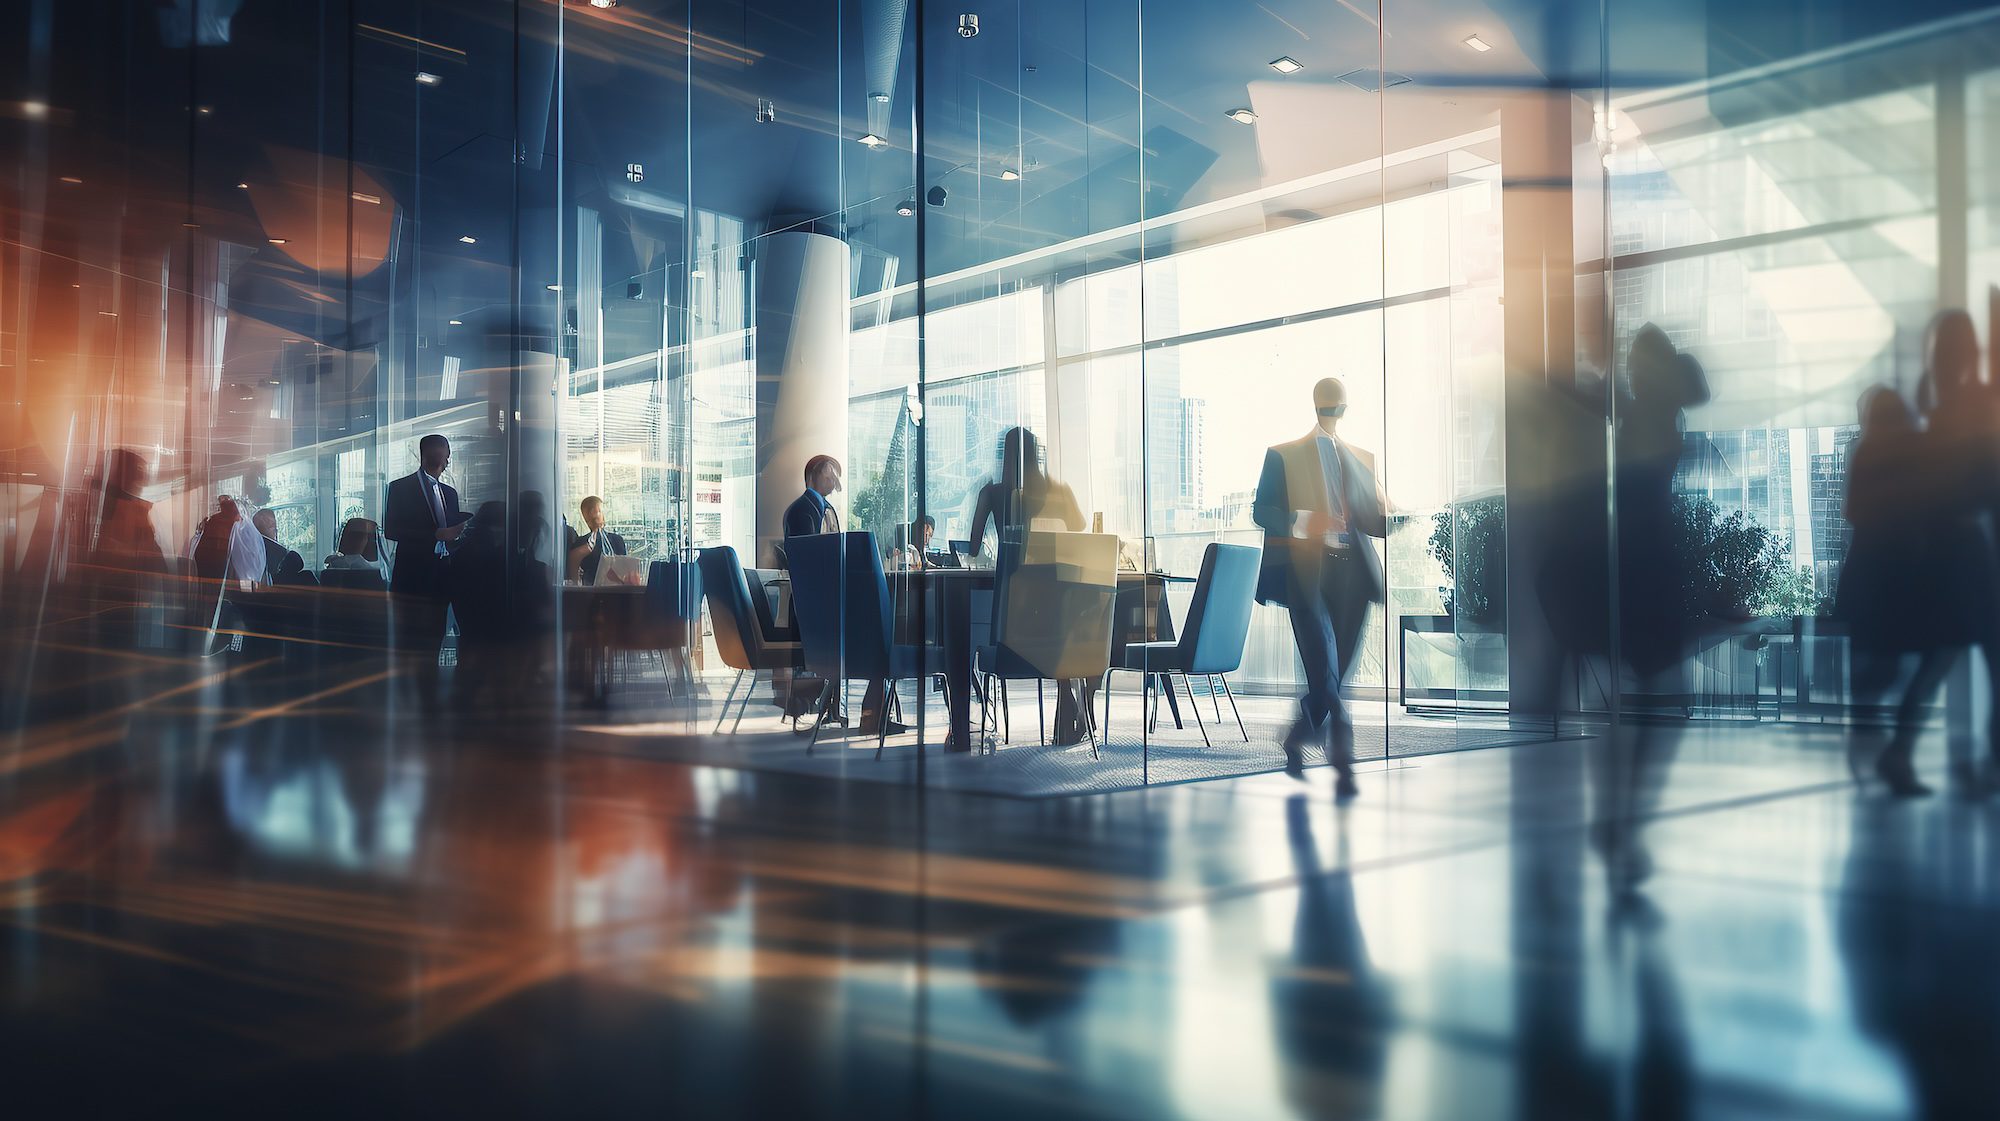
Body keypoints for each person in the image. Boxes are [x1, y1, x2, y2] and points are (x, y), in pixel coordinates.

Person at [1865, 310, 2000, 796]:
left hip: (1952, 551)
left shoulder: (1939, 413)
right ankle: (1967, 761)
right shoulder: (1968, 411)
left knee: (1943, 660)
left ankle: (1901, 754)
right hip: (1970, 551)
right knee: (1975, 659)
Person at [1253, 378, 1388, 802]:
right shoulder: (1283, 455)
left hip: (1354, 576)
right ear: (1317, 405)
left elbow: (1375, 522)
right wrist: (1304, 520)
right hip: (1307, 571)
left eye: (1339, 406)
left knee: (1334, 671)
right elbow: (1261, 510)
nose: (1334, 411)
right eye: (1329, 404)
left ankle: (1297, 736)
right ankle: (1342, 754)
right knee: (1323, 661)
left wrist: (1391, 512)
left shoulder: (1362, 458)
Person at [969, 427, 1094, 743]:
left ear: (1005, 456)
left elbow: (972, 546)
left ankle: (962, 729)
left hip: (1013, 617)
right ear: (1036, 454)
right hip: (1055, 618)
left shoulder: (993, 493)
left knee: (967, 628)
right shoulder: (1058, 491)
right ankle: (1075, 707)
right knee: (1072, 630)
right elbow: (1079, 528)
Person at [383, 434, 466, 698]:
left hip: (443, 572)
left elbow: (451, 531)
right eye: (443, 453)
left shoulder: (449, 493)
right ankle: (410, 690)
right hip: (412, 574)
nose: (446, 459)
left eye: (446, 453)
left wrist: (457, 535)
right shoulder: (400, 488)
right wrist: (435, 535)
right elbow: (392, 529)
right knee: (410, 634)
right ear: (429, 454)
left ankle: (428, 687)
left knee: (436, 632)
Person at [566, 495, 627, 584]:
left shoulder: (581, 544)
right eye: (597, 511)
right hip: (595, 591)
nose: (596, 516)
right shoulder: (582, 544)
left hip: (596, 591)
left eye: (599, 511)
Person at [784, 454, 844, 538]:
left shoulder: (827, 508)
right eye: (829, 477)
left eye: (835, 478)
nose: (835, 484)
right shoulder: (800, 510)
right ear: (812, 476)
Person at [250, 508, 305, 585]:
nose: (276, 530)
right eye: (272, 526)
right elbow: (296, 562)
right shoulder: (274, 551)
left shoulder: (251, 548)